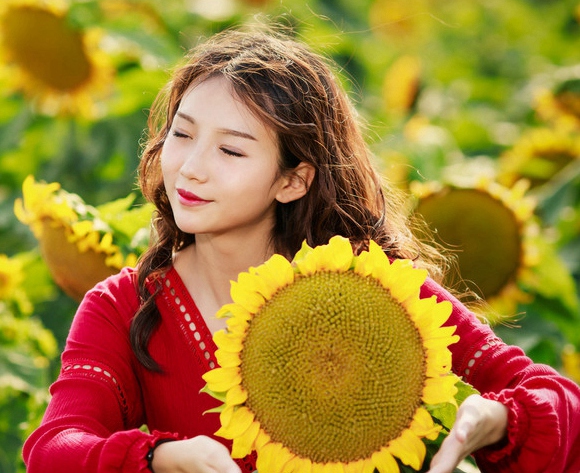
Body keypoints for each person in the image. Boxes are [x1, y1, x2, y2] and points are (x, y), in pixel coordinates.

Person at [23, 25, 580, 473]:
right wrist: (158, 456)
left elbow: (557, 401)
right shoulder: (125, 307)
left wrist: (498, 418)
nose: (190, 168)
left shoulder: (371, 290)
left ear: (294, 179)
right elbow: (54, 447)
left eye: (231, 151)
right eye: (182, 133)